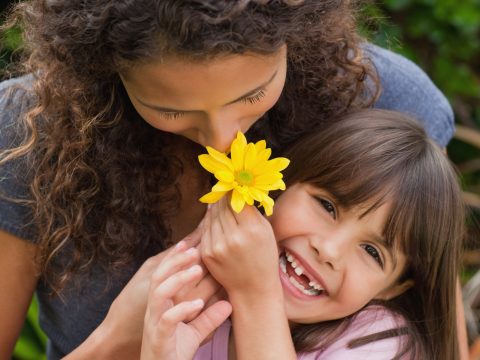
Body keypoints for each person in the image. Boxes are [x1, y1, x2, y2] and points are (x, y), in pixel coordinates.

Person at [0, 1, 461, 359]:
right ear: (106, 69)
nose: (223, 139)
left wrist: (256, 297)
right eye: (172, 109)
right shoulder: (27, 132)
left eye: (253, 94)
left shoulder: (386, 103)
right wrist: (118, 341)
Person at [141, 109, 464, 360]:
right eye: (327, 206)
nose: (329, 251)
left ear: (393, 287)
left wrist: (255, 293)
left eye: (372, 252)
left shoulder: (381, 340)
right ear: (282, 184)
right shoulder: (190, 294)